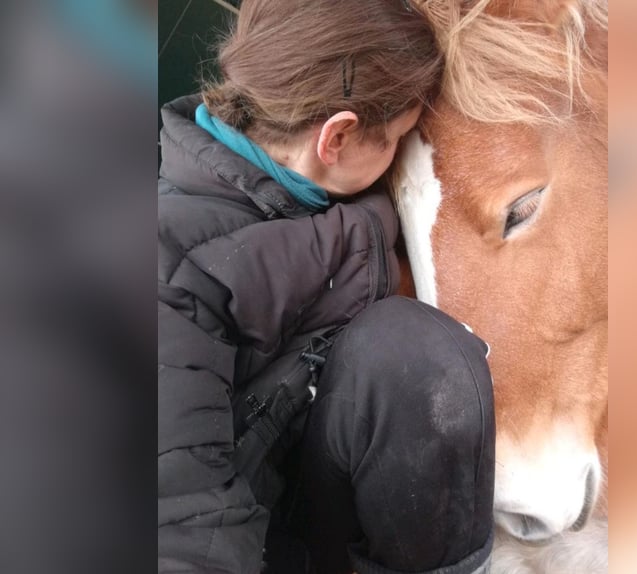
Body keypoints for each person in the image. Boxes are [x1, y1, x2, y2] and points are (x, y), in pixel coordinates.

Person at [158, 1, 495, 573]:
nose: (396, 159)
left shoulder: (312, 197)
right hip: (222, 537)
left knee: (410, 351)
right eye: (395, 139)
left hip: (297, 495)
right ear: (336, 136)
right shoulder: (167, 259)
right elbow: (176, 508)